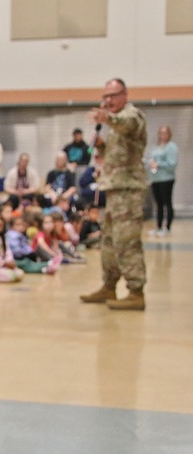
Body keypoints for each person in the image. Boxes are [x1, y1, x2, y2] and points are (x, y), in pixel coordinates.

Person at [80, 78, 148, 311]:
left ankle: (136, 291)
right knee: (108, 240)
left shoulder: (132, 116)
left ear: (125, 94)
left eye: (113, 95)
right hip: (114, 190)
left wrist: (107, 118)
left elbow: (127, 124)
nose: (108, 100)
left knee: (126, 241)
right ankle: (108, 285)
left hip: (129, 191)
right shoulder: (115, 125)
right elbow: (116, 154)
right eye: (106, 96)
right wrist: (100, 145)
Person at [147, 125, 178, 237]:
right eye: (161, 133)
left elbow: (172, 164)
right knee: (158, 204)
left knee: (167, 203)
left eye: (165, 133)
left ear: (169, 134)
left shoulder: (171, 147)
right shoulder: (156, 147)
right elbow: (150, 161)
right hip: (155, 179)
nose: (162, 135)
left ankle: (167, 227)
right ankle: (158, 226)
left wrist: (158, 164)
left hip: (167, 179)